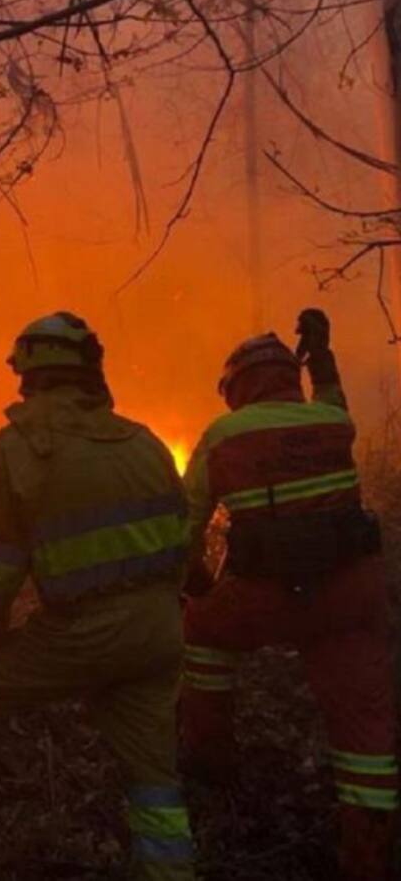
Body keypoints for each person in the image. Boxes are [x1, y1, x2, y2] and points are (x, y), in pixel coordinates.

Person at [0, 312, 195, 881]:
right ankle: (171, 872)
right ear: (89, 370)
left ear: (27, 373)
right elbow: (182, 541)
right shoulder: (145, 442)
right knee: (154, 779)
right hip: (159, 631)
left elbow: (1, 565)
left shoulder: (23, 446)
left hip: (86, 631)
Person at [179, 310, 395, 880]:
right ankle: (371, 853)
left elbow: (184, 523)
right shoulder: (330, 420)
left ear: (237, 387)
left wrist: (193, 580)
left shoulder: (225, 435)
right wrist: (322, 356)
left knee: (200, 633)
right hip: (350, 594)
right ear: (287, 377)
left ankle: (210, 763)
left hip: (264, 595)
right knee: (365, 720)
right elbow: (335, 400)